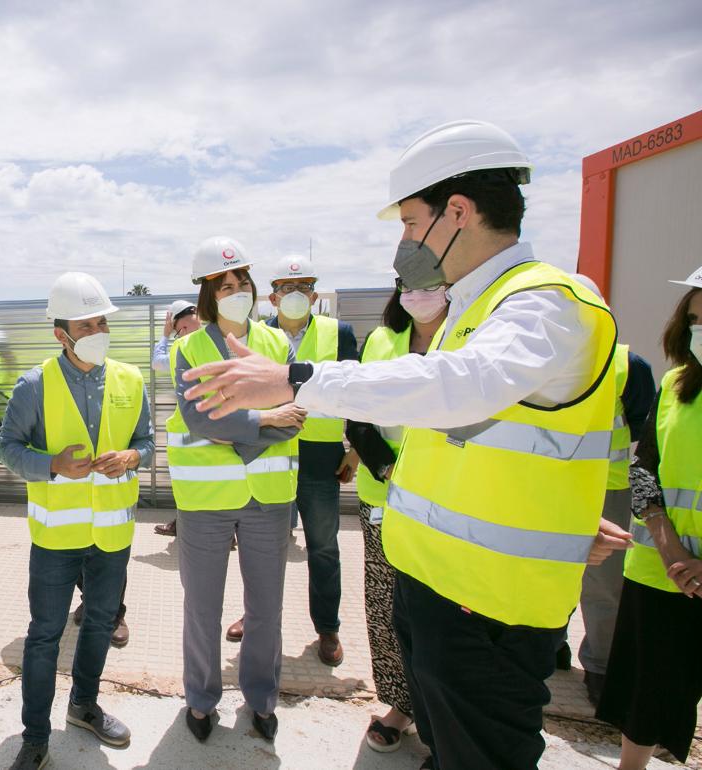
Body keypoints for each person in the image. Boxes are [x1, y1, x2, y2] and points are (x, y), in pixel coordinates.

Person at [180, 120, 629, 770]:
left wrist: (294, 379)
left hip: (488, 610)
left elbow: (460, 387)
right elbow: (479, 442)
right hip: (438, 591)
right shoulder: (478, 310)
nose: (404, 242)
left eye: (411, 222)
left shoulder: (548, 302)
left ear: (458, 212)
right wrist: (559, 514)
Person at [0, 271, 151, 770]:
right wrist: (52, 465)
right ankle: (35, 736)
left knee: (101, 622)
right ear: (60, 333)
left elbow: (146, 443)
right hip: (56, 538)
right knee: (44, 634)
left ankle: (84, 705)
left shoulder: (130, 378)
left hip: (112, 533)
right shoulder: (34, 384)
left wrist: (131, 456)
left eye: (102, 321)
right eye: (86, 324)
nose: (98, 330)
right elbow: (8, 448)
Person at [167, 237, 302, 745]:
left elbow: (297, 416)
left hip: (269, 501)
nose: (237, 291)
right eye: (225, 285)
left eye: (243, 282)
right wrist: (264, 417)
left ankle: (262, 699)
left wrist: (240, 426)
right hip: (206, 505)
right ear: (207, 294)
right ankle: (201, 701)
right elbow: (201, 419)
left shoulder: (276, 346)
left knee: (266, 607)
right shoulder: (188, 349)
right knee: (203, 607)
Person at [596, 265, 702, 769]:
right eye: (696, 320)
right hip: (665, 572)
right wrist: (671, 549)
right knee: (647, 688)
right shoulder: (677, 384)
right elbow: (646, 468)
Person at [236, 256, 357, 662]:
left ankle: (327, 628)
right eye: (286, 289)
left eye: (303, 287)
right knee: (261, 544)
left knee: (322, 545)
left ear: (315, 294)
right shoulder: (254, 336)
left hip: (321, 456)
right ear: (271, 297)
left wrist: (355, 448)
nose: (294, 295)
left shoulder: (338, 333)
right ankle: (253, 617)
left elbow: (356, 392)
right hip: (269, 452)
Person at [344, 285, 447, 752]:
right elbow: (358, 417)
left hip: (451, 504)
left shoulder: (473, 339)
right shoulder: (382, 341)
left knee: (446, 611)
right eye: (411, 281)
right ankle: (401, 706)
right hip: (384, 498)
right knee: (388, 607)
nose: (421, 290)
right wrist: (388, 470)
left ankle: (445, 718)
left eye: (434, 280)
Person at [565, 274, 655, 707]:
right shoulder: (548, 359)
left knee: (603, 584)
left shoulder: (628, 365)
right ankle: (550, 647)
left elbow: (641, 429)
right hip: (552, 486)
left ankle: (600, 665)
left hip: (608, 489)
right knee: (550, 570)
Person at [152, 298, 199, 537]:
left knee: (186, 483)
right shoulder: (215, 340)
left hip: (188, 430)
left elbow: (157, 362)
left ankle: (185, 527)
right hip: (221, 427)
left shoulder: (181, 347)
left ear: (173, 321)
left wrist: (164, 336)